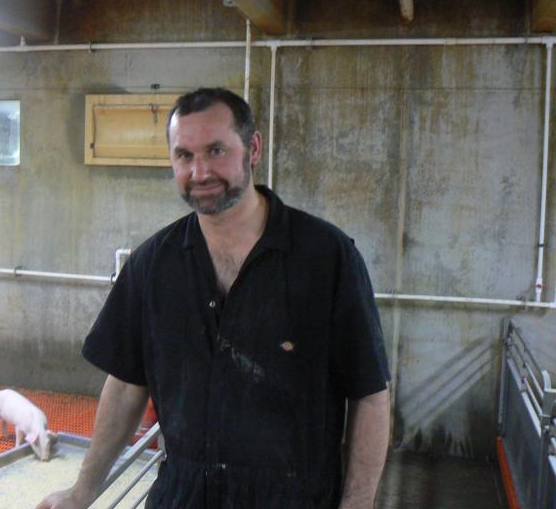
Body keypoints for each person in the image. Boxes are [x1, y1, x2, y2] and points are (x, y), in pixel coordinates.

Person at [37, 88, 391, 509]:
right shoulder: (151, 266)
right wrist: (82, 492)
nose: (199, 171)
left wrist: (358, 503)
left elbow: (369, 394)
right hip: (184, 496)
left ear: (253, 148)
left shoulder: (327, 258)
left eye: (216, 150)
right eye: (184, 156)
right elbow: (127, 383)